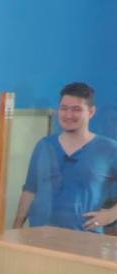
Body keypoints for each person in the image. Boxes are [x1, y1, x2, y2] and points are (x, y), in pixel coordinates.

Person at [12, 82, 117, 232]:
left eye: (76, 109)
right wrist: (16, 227)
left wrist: (111, 215)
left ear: (91, 112)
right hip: (39, 236)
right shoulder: (44, 146)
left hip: (85, 238)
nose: (68, 115)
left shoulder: (109, 149)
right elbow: (30, 190)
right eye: (64, 108)